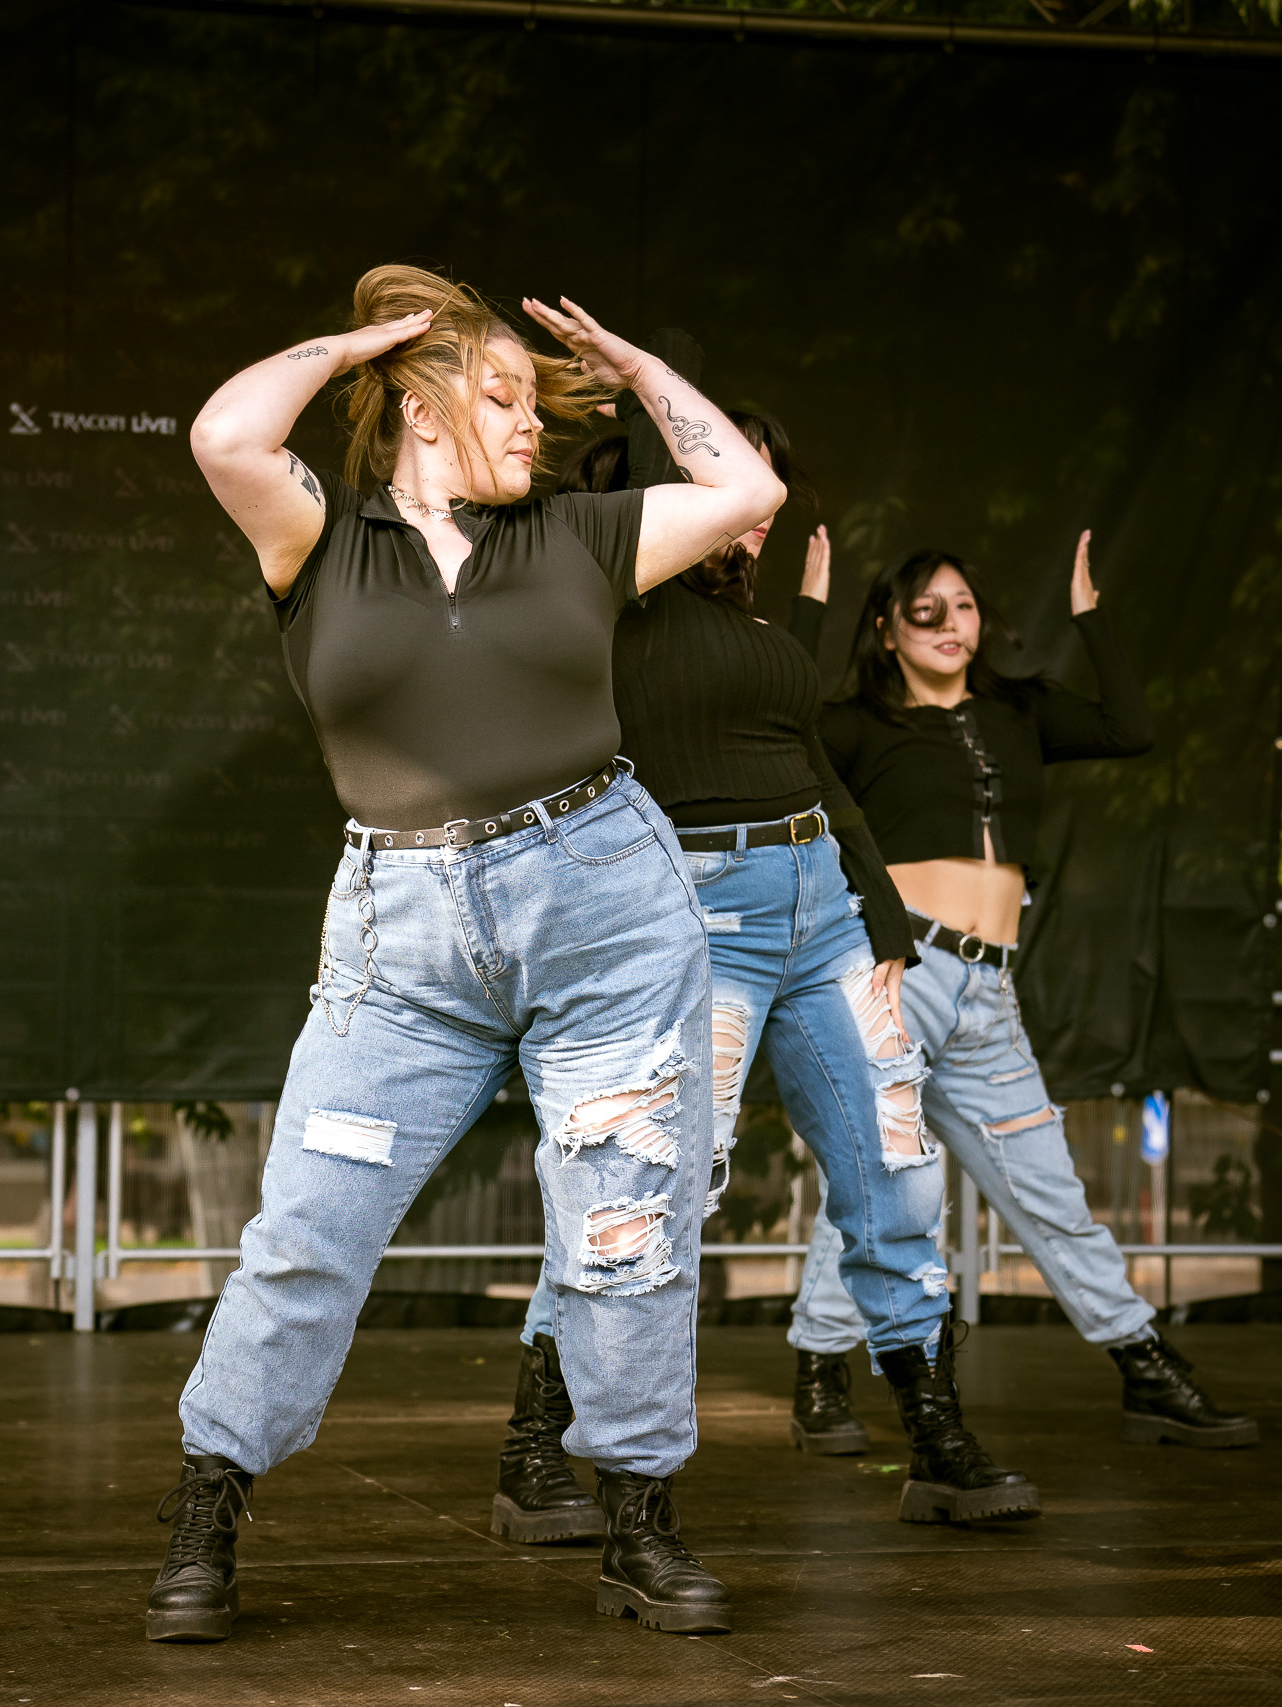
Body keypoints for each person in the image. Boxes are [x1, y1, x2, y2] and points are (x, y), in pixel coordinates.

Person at [155, 266, 786, 1644]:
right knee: (308, 1226)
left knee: (626, 1224)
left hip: (603, 904)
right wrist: (359, 345)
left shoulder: (575, 535)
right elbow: (223, 433)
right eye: (501, 396)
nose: (531, 424)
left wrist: (633, 362)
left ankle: (638, 1520)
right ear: (420, 407)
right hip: (402, 935)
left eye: (536, 404)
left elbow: (747, 489)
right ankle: (207, 1506)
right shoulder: (323, 539)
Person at [495, 406, 1039, 1538]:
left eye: (767, 495)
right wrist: (637, 379)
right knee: (647, 1183)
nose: (757, 513)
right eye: (736, 484)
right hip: (699, 916)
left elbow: (811, 771)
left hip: (821, 909)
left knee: (894, 1166)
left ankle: (935, 1437)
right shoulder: (614, 594)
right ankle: (534, 1443)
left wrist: (881, 919)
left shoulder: (751, 625)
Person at [784, 541, 1259, 1450]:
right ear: (886, 629)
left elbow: (1129, 728)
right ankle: (821, 1370)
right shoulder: (855, 726)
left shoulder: (1019, 711)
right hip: (895, 974)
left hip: (987, 987)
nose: (950, 624)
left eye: (964, 606)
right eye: (925, 610)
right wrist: (808, 607)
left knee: (1046, 1186)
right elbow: (780, 726)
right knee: (881, 1178)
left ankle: (1142, 1363)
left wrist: (1091, 618)